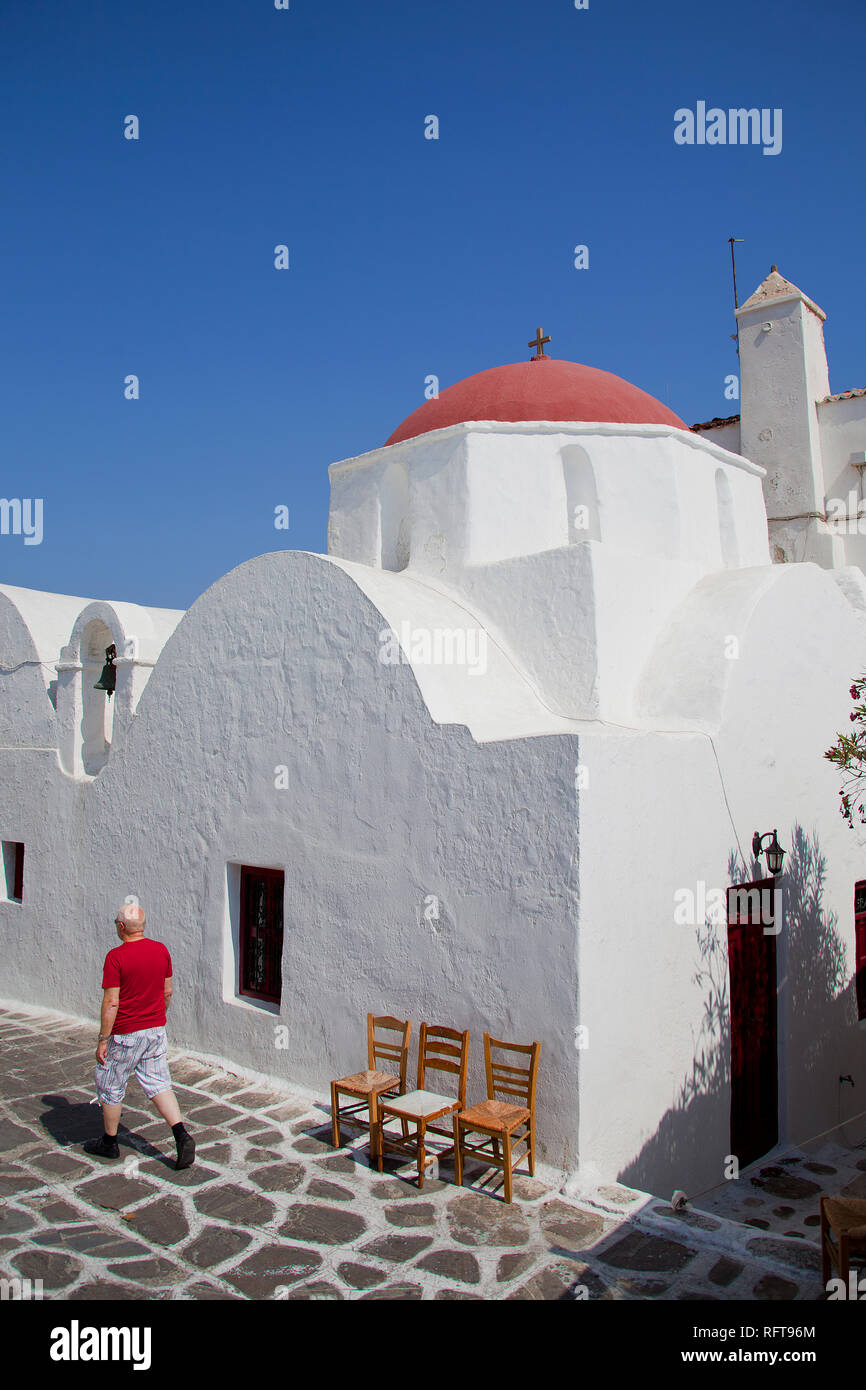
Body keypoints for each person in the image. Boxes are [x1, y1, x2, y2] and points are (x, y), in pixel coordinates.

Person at [85, 902, 195, 1170]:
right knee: (158, 1082)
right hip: (155, 1030)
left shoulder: (116, 957)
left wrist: (102, 1038)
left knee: (110, 1083)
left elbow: (112, 1002)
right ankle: (181, 1134)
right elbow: (167, 991)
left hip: (125, 1033)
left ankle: (109, 1142)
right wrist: (159, 1015)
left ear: (122, 927)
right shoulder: (161, 951)